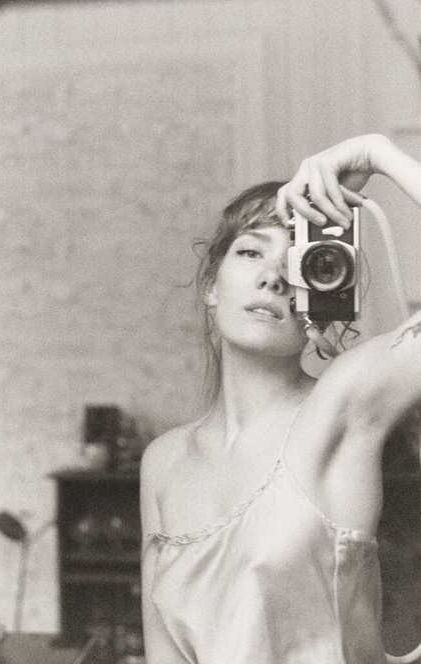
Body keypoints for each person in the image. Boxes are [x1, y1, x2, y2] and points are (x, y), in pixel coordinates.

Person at [140, 133, 421, 664]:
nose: (273, 277)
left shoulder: (342, 404)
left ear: (326, 292)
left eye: (301, 261)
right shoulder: (164, 460)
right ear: (212, 284)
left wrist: (375, 153)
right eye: (251, 252)